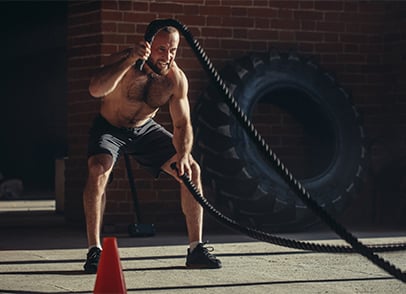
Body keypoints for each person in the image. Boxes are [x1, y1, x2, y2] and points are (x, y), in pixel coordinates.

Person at [82, 26, 222, 273]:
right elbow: (96, 90)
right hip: (110, 127)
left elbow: (182, 123)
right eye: (161, 49)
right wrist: (129, 59)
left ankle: (196, 249)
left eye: (173, 50)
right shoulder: (126, 61)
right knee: (97, 170)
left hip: (144, 130)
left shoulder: (174, 79)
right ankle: (95, 251)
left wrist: (184, 154)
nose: (167, 56)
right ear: (147, 45)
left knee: (192, 171)